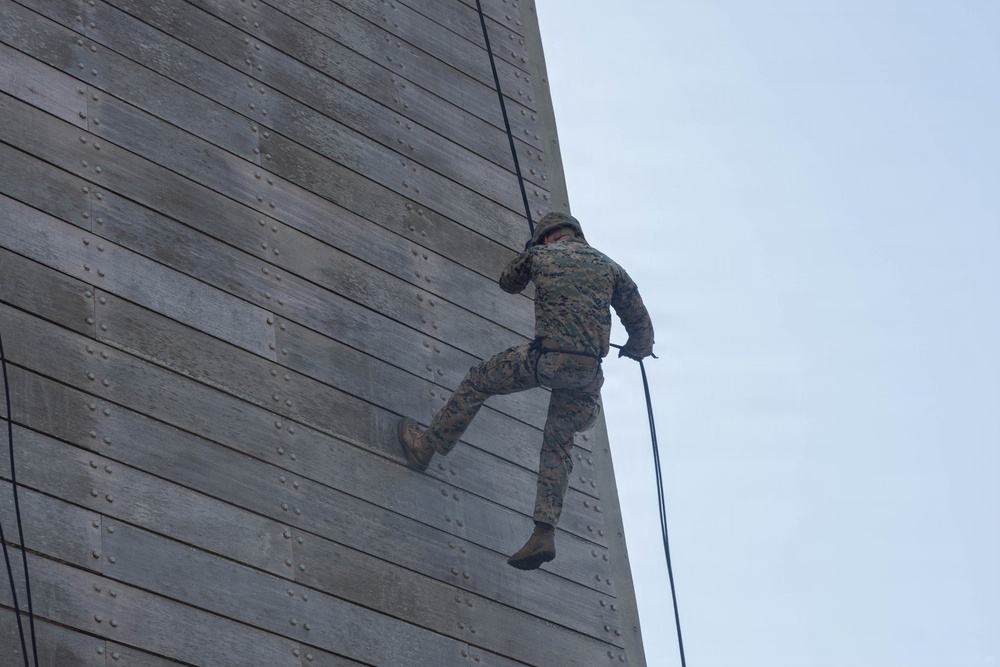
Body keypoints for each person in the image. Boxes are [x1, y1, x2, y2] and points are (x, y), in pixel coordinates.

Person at [398, 211, 654, 570]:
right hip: (586, 375)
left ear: (548, 237)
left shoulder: (540, 256)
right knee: (558, 443)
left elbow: (508, 282)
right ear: (575, 234)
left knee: (478, 381)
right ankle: (543, 531)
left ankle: (426, 447)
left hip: (545, 360)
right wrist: (636, 348)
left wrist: (530, 255)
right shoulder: (611, 268)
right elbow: (642, 326)